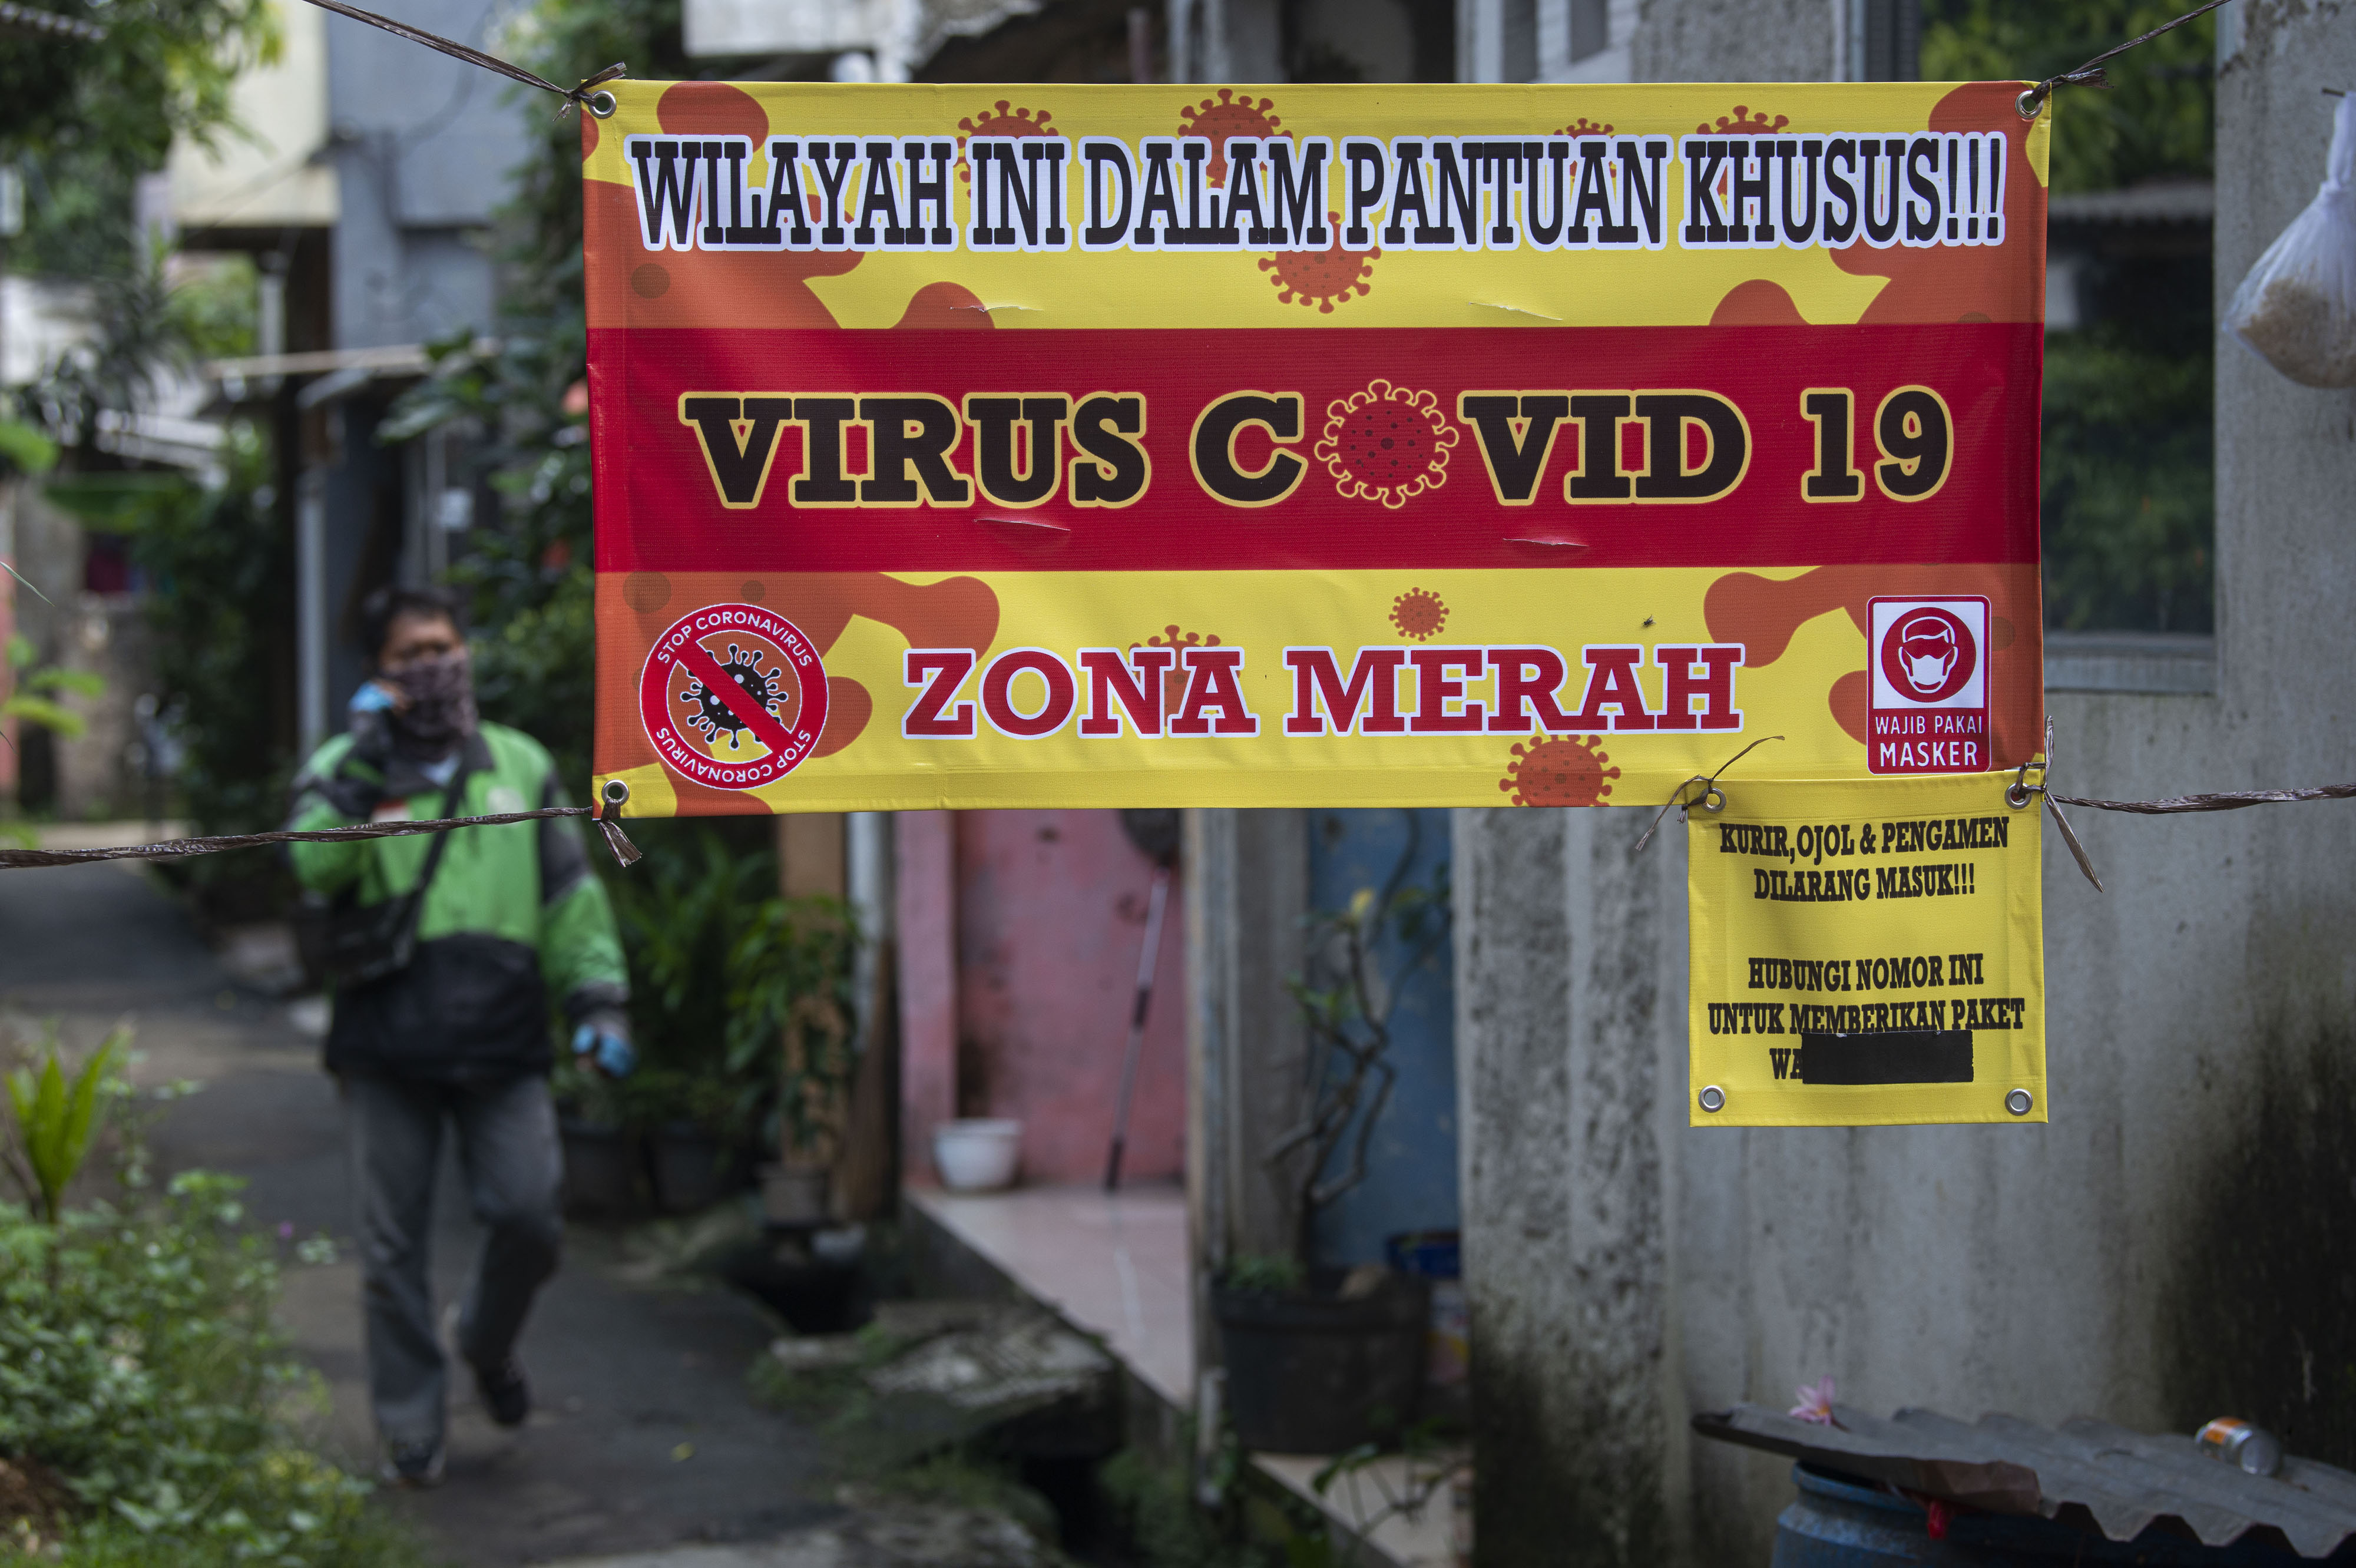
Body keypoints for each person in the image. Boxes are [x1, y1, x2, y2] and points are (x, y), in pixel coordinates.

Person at [286, 584, 635, 1486]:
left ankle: (485, 1337)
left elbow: (568, 896)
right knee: (391, 1246)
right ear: (378, 674)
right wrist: (366, 761)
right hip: (387, 1040)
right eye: (408, 656)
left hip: (503, 1035)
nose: (430, 666)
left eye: (441, 646)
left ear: (465, 650)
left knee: (529, 1212)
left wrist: (598, 1000)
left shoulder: (518, 763)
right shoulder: (345, 764)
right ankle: (410, 1420)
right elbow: (315, 865)